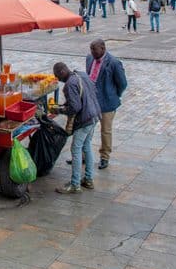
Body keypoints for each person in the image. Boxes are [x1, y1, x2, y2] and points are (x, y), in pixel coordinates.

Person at [50, 62, 101, 194]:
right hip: (95, 114)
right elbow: (88, 93)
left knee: (76, 149)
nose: (57, 79)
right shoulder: (81, 74)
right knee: (87, 146)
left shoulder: (69, 85)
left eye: (57, 76)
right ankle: (88, 179)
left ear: (62, 72)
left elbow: (75, 107)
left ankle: (75, 184)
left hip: (85, 119)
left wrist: (59, 110)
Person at [85, 40, 127, 170]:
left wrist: (113, 95)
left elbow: (122, 83)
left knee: (105, 131)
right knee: (85, 128)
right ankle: (83, 155)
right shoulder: (89, 58)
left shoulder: (114, 63)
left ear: (103, 48)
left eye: (95, 49)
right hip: (91, 101)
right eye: (91, 49)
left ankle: (104, 157)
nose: (92, 52)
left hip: (107, 102)